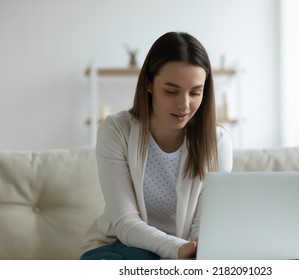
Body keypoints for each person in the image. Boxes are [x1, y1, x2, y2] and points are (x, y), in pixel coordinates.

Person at [80, 31, 233, 260]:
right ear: (149, 84)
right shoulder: (115, 131)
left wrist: (194, 255)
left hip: (186, 255)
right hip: (121, 248)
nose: (184, 105)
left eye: (195, 92)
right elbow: (125, 222)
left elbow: (206, 227)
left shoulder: (217, 141)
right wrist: (178, 249)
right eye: (171, 91)